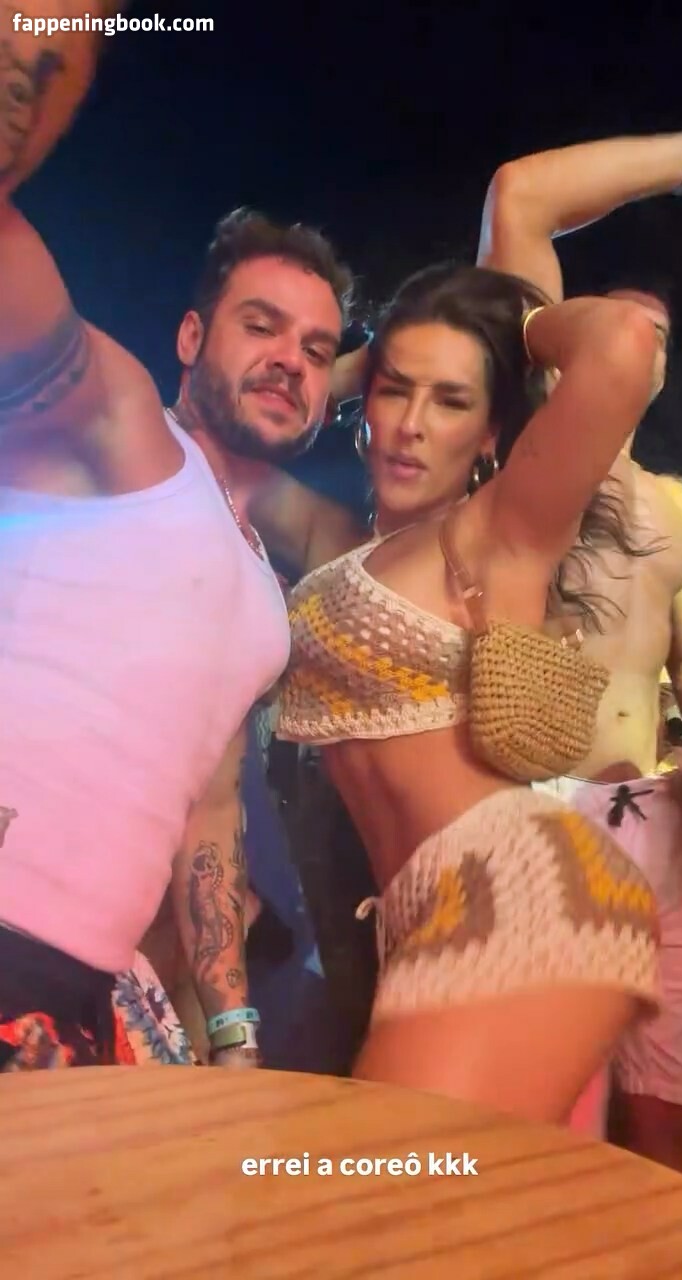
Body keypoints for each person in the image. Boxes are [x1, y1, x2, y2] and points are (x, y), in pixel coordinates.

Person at [0, 3, 350, 1070]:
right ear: (192, 336)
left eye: (319, 349)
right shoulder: (124, 429)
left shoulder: (259, 591)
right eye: (261, 326)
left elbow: (208, 810)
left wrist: (233, 1033)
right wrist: (41, 47)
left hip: (70, 1000)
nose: (291, 359)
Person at [270, 258, 662, 1130]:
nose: (411, 426)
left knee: (380, 1185)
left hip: (517, 883)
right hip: (420, 911)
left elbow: (623, 342)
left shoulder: (497, 529)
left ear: (490, 435)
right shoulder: (353, 546)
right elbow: (212, 440)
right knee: (440, 1198)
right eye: (394, 392)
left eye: (450, 402)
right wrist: (349, 367)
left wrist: (511, 324)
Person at [478, 128, 682, 1173]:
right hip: (538, 810)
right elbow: (520, 197)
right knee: (544, 1128)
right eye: (612, 323)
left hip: (657, 821)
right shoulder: (533, 458)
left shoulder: (678, 509)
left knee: (673, 1124)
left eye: (652, 335)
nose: (631, 343)